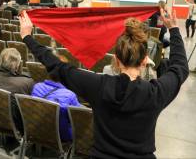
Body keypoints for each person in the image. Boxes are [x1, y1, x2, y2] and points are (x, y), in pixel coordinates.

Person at [19, 10, 188, 158]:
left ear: (116, 59)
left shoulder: (98, 86)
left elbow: (57, 66)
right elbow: (180, 67)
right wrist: (173, 29)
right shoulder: (155, 93)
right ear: (145, 61)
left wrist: (27, 37)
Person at [0, 48, 35, 132]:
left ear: (0, 62)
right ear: (17, 65)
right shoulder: (27, 83)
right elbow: (31, 109)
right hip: (17, 126)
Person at [31, 57, 81, 141]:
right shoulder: (70, 95)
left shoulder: (37, 87)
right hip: (62, 136)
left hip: (38, 129)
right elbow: (79, 117)